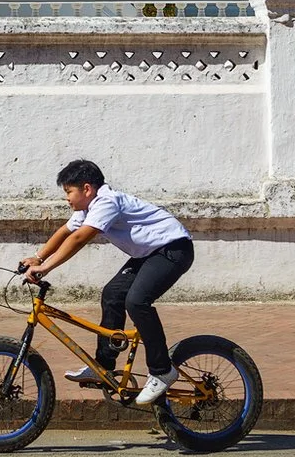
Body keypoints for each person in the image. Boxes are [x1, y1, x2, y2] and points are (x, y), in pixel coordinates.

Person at [20, 159, 195, 407]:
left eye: (69, 192)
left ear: (87, 189)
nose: (67, 199)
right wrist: (38, 257)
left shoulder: (106, 202)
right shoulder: (87, 208)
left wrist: (46, 268)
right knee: (113, 294)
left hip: (173, 249)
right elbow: (66, 231)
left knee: (136, 301)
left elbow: (80, 238)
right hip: (148, 254)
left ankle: (162, 370)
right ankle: (103, 366)